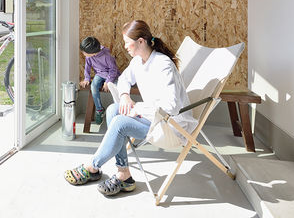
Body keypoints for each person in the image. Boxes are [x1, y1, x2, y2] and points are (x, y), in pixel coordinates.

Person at [64, 20, 197, 196]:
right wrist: (125, 96)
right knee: (113, 110)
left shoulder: (163, 65)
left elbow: (170, 106)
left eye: (128, 42)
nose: (125, 46)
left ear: (141, 41)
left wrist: (138, 108)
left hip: (170, 127)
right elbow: (124, 79)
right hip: (154, 118)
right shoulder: (138, 61)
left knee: (119, 122)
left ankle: (92, 167)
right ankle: (124, 173)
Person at [79, 36, 120, 124]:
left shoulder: (107, 56)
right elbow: (87, 67)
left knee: (115, 88)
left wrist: (108, 81)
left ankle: (117, 110)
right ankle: (99, 109)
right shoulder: (89, 57)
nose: (83, 53)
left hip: (111, 75)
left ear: (93, 53)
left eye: (84, 52)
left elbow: (113, 70)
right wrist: (87, 78)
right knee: (93, 86)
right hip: (99, 75)